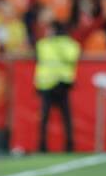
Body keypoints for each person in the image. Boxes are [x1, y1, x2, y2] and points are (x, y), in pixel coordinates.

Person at [34, 21, 81, 153]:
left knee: (66, 117)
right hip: (46, 85)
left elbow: (72, 56)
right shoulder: (43, 44)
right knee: (44, 117)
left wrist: (59, 43)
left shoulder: (67, 44)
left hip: (62, 84)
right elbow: (40, 64)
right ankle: (42, 145)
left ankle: (69, 145)